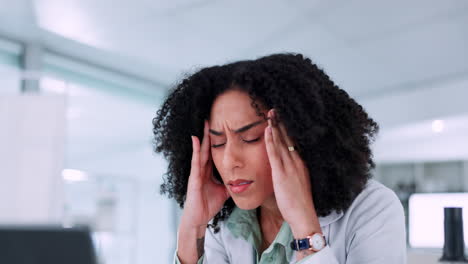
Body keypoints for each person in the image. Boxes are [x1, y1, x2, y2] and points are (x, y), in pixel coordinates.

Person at [152, 53, 406, 263]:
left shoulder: (372, 208)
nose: (230, 161)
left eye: (250, 137)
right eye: (218, 143)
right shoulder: (224, 227)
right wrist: (191, 230)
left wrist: (306, 229)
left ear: (297, 135)